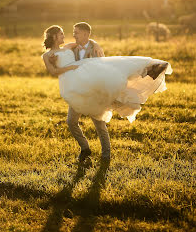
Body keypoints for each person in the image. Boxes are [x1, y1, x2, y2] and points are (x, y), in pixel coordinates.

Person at [42, 22, 172, 165]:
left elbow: (88, 40)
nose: (67, 35)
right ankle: (85, 148)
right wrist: (65, 66)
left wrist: (95, 43)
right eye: (61, 33)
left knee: (99, 123)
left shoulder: (68, 47)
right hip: (74, 89)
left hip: (93, 89)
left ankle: (106, 156)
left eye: (75, 33)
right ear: (54, 36)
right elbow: (53, 71)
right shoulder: (50, 54)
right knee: (71, 122)